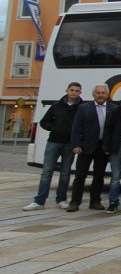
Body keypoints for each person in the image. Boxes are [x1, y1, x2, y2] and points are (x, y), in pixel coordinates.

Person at [24, 82, 83, 211]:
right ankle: (39, 201)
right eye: (72, 90)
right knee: (46, 172)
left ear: (80, 93)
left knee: (65, 173)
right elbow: (44, 121)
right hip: (54, 142)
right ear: (67, 90)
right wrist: (53, 128)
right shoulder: (57, 106)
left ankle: (61, 200)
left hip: (69, 144)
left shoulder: (81, 107)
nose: (74, 92)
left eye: (77, 91)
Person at [67, 84, 120, 212]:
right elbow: (76, 127)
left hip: (103, 147)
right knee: (80, 176)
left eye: (103, 93)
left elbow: (115, 129)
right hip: (85, 147)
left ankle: (95, 201)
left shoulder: (113, 108)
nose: (100, 95)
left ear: (107, 95)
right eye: (98, 93)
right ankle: (75, 202)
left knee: (99, 176)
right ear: (93, 95)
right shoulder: (84, 108)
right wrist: (76, 144)